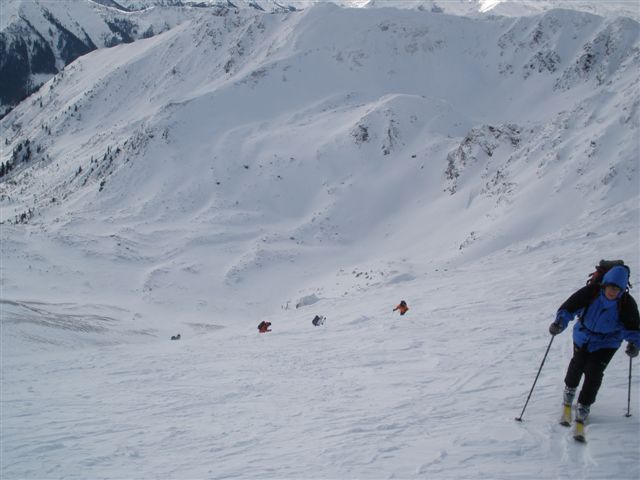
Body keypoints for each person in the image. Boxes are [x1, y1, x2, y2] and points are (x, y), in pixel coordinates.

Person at [549, 265, 639, 429]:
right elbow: (569, 307)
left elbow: (633, 329)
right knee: (577, 364)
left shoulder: (626, 304)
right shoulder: (590, 293)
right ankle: (569, 390)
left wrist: (634, 344)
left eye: (617, 289)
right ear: (605, 284)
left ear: (622, 290)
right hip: (583, 336)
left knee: (594, 372)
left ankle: (584, 404)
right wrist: (559, 323)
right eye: (611, 287)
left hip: (608, 342)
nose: (613, 292)